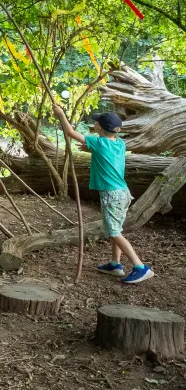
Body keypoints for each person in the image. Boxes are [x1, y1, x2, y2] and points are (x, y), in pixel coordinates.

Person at [53, 106, 154, 284]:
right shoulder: (119, 143)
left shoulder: (99, 143)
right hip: (123, 193)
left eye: (96, 122)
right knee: (116, 229)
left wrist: (61, 114)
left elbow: (69, 132)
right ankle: (115, 265)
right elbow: (108, 155)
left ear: (99, 127)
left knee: (114, 232)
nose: (94, 123)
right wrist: (90, 150)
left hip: (111, 195)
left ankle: (140, 266)